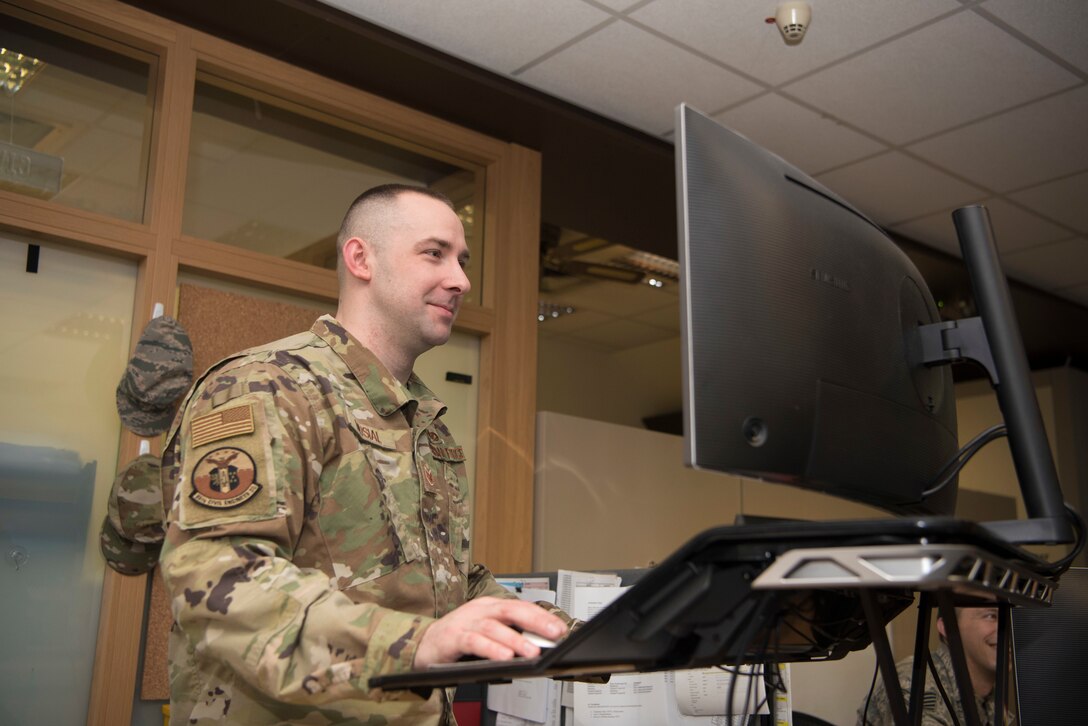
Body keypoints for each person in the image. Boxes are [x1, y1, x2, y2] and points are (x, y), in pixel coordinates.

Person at [159, 184, 569, 725]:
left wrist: (576, 636)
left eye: (463, 261)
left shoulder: (424, 421)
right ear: (361, 258)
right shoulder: (267, 386)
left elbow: (446, 586)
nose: (461, 280)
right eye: (434, 253)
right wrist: (415, 644)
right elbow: (221, 579)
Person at [856, 605, 1000, 726]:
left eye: (1011, 615)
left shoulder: (989, 695)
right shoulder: (916, 684)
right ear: (948, 627)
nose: (1009, 628)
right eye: (990, 616)